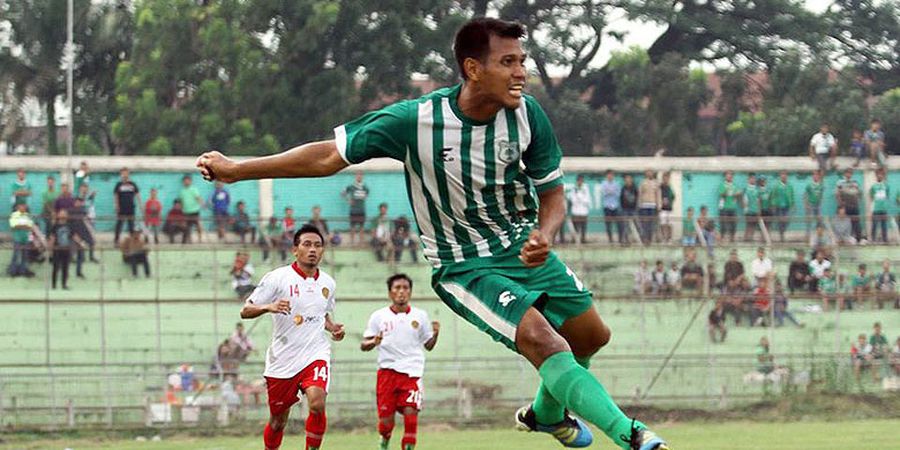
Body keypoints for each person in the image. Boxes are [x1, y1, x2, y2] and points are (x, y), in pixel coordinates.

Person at [197, 17, 669, 449]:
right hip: (465, 265)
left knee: (592, 337)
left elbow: (554, 196)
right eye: (508, 62)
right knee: (548, 344)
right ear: (473, 68)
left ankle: (546, 414)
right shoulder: (415, 120)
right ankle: (632, 436)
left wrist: (545, 232)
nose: (521, 72)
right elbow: (327, 155)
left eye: (522, 61)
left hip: (524, 250)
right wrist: (237, 170)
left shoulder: (528, 115)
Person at [239, 225, 345, 450]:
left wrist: (332, 327)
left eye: (317, 245)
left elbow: (320, 315)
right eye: (307, 244)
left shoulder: (328, 283)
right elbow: (245, 311)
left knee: (317, 404)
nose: (313, 249)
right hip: (283, 360)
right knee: (278, 421)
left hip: (315, 353)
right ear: (295, 250)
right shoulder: (277, 278)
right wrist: (270, 306)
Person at [361, 274, 440, 450]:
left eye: (405, 288)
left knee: (411, 416)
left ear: (410, 292)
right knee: (386, 423)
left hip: (412, 373)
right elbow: (363, 344)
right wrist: (374, 341)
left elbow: (428, 346)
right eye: (397, 288)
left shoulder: (420, 316)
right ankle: (385, 440)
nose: (401, 292)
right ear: (390, 292)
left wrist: (435, 335)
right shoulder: (379, 316)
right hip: (387, 373)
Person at [47, 209, 81, 290]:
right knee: (55, 268)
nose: (63, 216)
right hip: (57, 249)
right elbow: (52, 237)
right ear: (58, 215)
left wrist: (81, 243)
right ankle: (54, 285)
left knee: (65, 268)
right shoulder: (55, 226)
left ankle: (64, 284)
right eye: (61, 214)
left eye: (64, 214)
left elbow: (74, 236)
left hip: (66, 249)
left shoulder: (69, 225)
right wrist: (50, 249)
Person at [8, 203, 37, 277]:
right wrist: (24, 226)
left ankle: (23, 270)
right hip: (17, 238)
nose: (23, 207)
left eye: (24, 205)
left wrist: (21, 226)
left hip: (26, 238)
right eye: (21, 205)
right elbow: (13, 226)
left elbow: (30, 227)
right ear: (18, 206)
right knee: (16, 255)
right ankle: (13, 271)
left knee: (25, 255)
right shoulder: (14, 215)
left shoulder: (28, 215)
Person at [113, 168, 141, 245]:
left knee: (131, 225)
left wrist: (141, 206)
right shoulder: (118, 184)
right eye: (123, 173)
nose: (125, 175)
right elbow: (116, 196)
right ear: (121, 174)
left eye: (126, 173)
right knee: (119, 224)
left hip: (131, 208)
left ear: (128, 174)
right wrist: (116, 205)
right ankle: (116, 240)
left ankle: (132, 241)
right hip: (121, 208)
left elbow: (138, 195)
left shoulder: (133, 184)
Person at [835, 168, 863, 243]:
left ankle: (858, 239)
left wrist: (858, 200)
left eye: (850, 173)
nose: (849, 175)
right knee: (845, 222)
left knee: (856, 222)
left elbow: (859, 193)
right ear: (844, 174)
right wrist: (841, 204)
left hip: (854, 206)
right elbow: (837, 194)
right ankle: (845, 239)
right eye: (847, 173)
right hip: (845, 206)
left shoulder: (855, 182)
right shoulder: (840, 182)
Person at [343, 171, 369, 245]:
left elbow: (366, 195)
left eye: (361, 175)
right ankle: (352, 242)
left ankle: (361, 242)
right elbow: (343, 193)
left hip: (361, 210)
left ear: (362, 177)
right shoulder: (351, 187)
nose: (359, 177)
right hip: (353, 210)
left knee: (361, 227)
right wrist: (348, 200)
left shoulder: (365, 187)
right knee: (352, 227)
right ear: (355, 176)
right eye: (358, 175)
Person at [637, 170, 660, 245]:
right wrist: (639, 204)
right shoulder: (642, 182)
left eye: (651, 172)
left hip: (653, 206)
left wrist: (658, 205)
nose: (649, 173)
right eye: (648, 172)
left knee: (651, 224)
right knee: (644, 223)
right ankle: (645, 238)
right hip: (644, 206)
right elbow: (640, 194)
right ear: (645, 173)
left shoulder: (656, 183)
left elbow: (658, 194)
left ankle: (650, 239)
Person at [179, 175, 204, 244]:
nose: (186, 182)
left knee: (199, 226)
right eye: (185, 181)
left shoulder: (194, 189)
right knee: (187, 227)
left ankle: (200, 239)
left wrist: (202, 203)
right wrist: (181, 210)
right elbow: (181, 202)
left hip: (195, 211)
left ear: (190, 181)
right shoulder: (182, 191)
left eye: (188, 181)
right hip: (186, 212)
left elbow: (198, 198)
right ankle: (189, 241)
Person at [599, 170, 622, 244]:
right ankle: (610, 240)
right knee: (608, 225)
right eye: (608, 175)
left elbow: (618, 194)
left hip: (615, 206)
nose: (610, 176)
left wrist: (610, 191)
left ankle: (620, 240)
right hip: (607, 206)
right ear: (606, 176)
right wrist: (611, 191)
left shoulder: (616, 184)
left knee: (619, 224)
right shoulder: (603, 184)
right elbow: (604, 193)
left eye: (611, 175)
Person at [567, 174, 591, 244]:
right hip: (575, 211)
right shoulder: (573, 189)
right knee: (575, 227)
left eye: (581, 181)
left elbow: (587, 200)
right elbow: (573, 200)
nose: (580, 182)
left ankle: (583, 239)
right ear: (577, 181)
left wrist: (580, 198)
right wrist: (578, 198)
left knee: (583, 227)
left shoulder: (586, 189)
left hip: (584, 211)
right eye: (579, 181)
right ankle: (575, 240)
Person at [770, 171, 793, 242]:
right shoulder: (776, 186)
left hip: (787, 206)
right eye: (782, 174)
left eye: (785, 174)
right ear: (780, 176)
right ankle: (781, 235)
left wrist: (793, 204)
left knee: (786, 221)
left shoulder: (789, 186)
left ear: (787, 176)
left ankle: (782, 232)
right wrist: (773, 205)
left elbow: (792, 196)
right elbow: (773, 196)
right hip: (779, 206)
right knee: (780, 221)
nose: (784, 176)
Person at [718, 170, 739, 242]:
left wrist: (738, 194)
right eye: (728, 174)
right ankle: (722, 238)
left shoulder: (734, 185)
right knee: (723, 223)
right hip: (724, 207)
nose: (730, 176)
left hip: (733, 207)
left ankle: (732, 238)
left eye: (731, 175)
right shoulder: (722, 185)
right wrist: (726, 191)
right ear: (725, 176)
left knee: (734, 224)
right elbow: (721, 194)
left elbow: (738, 193)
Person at [869, 169, 890, 243]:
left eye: (881, 174)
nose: (880, 175)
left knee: (884, 226)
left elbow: (887, 196)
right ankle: (873, 240)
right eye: (878, 174)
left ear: (883, 176)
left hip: (884, 209)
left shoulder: (886, 186)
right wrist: (871, 210)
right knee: (874, 225)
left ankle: (885, 240)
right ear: (876, 175)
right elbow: (871, 198)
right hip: (876, 209)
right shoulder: (873, 186)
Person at [803, 170, 824, 240]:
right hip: (810, 205)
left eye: (817, 175)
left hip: (818, 205)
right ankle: (808, 236)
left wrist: (820, 204)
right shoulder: (809, 185)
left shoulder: (821, 185)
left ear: (819, 176)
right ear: (812, 176)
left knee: (819, 221)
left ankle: (819, 236)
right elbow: (805, 195)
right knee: (809, 221)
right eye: (814, 175)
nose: (815, 176)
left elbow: (821, 195)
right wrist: (806, 205)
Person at [620, 173, 638, 246]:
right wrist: (623, 207)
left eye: (629, 178)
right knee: (625, 226)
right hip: (625, 210)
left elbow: (637, 198)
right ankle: (626, 241)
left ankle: (644, 240)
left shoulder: (634, 188)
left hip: (633, 209)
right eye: (626, 179)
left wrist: (636, 206)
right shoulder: (623, 188)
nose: (628, 180)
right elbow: (621, 198)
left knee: (638, 225)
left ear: (631, 179)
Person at [742, 174, 760, 242]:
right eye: (751, 178)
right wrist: (744, 208)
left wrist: (759, 210)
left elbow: (758, 200)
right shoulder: (746, 188)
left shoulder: (756, 189)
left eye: (754, 178)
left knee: (754, 225)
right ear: (748, 179)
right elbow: (743, 199)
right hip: (748, 210)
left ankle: (751, 238)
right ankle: (745, 238)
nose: (753, 180)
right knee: (748, 225)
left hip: (755, 210)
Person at [659, 172, 675, 244]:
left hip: (669, 209)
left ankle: (669, 239)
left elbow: (673, 196)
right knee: (663, 224)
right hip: (662, 209)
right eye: (664, 178)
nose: (666, 179)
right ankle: (663, 238)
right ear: (663, 178)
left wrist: (670, 201)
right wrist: (662, 201)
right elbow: (658, 196)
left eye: (667, 178)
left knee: (670, 224)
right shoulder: (660, 187)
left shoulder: (670, 187)